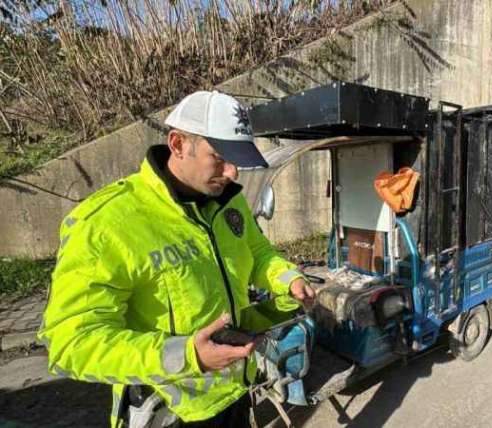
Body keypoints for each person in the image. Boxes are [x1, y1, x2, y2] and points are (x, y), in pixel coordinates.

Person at [38, 90, 316, 427]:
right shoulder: (106, 224)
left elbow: (256, 253)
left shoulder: (228, 201)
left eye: (237, 159)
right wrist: (188, 357)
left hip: (235, 393)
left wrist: (288, 279)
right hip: (169, 412)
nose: (232, 173)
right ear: (178, 144)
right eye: (219, 157)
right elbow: (72, 343)